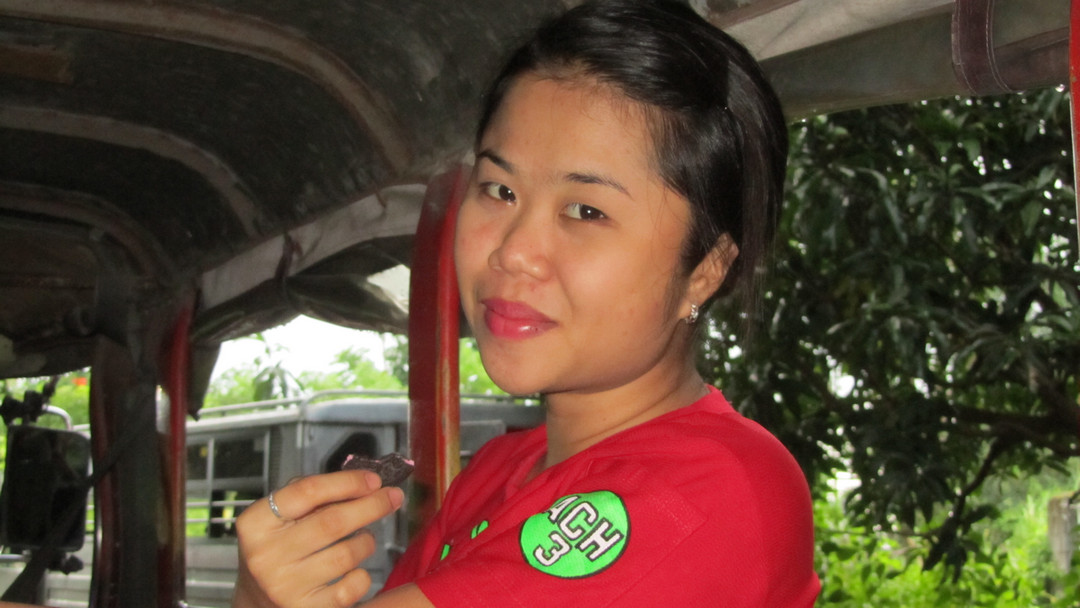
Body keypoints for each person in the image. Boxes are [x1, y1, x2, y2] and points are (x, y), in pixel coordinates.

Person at [232, 0, 820, 606]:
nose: (513, 252)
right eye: (499, 189)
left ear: (704, 271)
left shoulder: (709, 490)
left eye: (586, 211)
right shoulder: (496, 469)